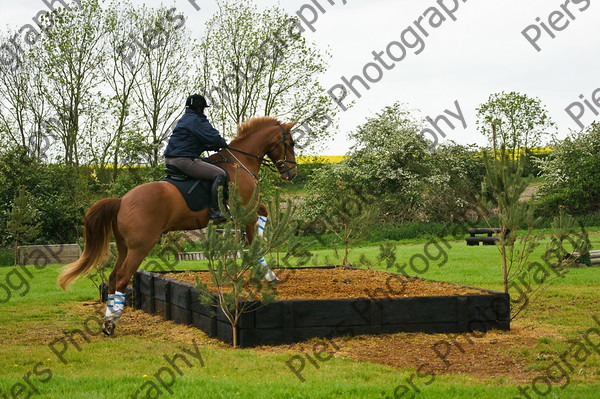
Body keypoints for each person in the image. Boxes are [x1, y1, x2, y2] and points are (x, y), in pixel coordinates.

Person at [164, 94, 228, 222]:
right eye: (203, 108)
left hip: (171, 160)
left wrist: (208, 146)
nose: (204, 111)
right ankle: (215, 211)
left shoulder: (184, 119)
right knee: (220, 174)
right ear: (200, 108)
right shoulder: (197, 120)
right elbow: (214, 138)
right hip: (184, 161)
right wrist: (221, 143)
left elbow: (191, 141)